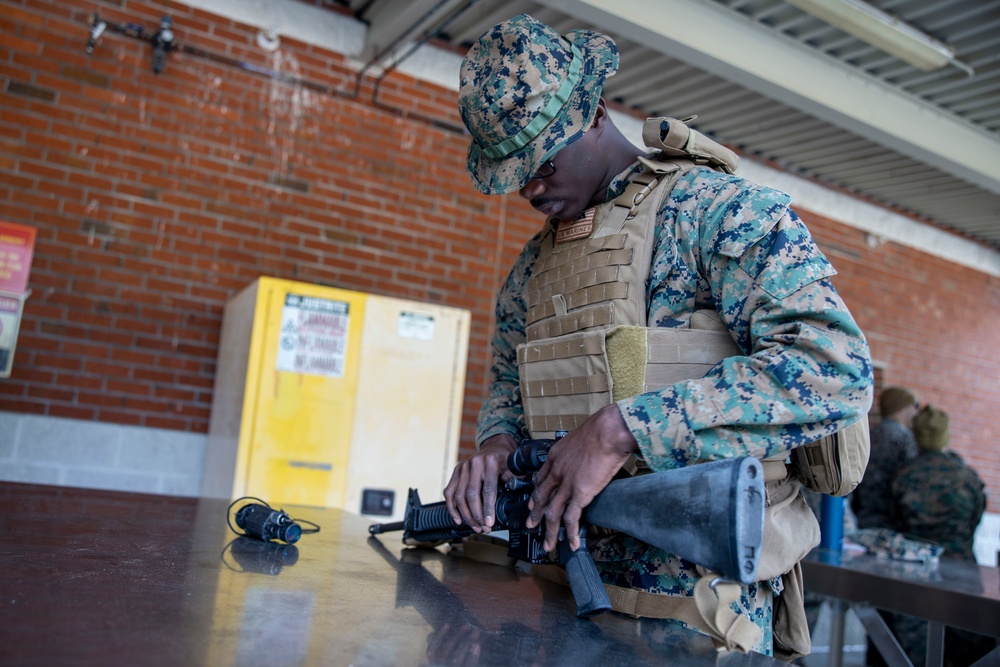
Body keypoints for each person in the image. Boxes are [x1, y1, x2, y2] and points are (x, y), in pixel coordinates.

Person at [443, 14, 873, 658]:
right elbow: (509, 384)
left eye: (544, 160)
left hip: (699, 615)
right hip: (564, 606)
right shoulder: (530, 270)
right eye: (516, 173)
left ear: (593, 114)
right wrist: (497, 446)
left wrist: (624, 429)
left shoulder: (715, 212)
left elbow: (834, 369)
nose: (531, 187)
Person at [886, 406, 994, 666]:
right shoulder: (966, 476)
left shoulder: (903, 475)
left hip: (914, 578)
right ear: (946, 434)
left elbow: (894, 522)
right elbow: (975, 519)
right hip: (963, 577)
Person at [850, 386, 920, 529]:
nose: (916, 411)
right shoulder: (906, 439)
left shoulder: (868, 435)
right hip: (891, 520)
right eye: (915, 405)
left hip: (861, 515)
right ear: (902, 407)